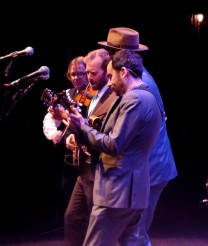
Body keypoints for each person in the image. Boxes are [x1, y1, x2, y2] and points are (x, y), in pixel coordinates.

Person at [66, 49, 162, 245]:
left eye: (111, 76)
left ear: (124, 72)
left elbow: (114, 144)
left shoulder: (134, 99)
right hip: (132, 192)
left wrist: (82, 129)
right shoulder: (149, 97)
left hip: (117, 191)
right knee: (132, 242)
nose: (109, 82)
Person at [97, 27, 178, 245]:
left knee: (135, 235)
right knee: (130, 235)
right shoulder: (135, 79)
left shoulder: (137, 86)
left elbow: (120, 134)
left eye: (109, 51)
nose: (106, 55)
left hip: (149, 170)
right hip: (143, 169)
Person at [63, 48, 117, 246]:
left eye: (93, 73)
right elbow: (88, 125)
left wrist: (82, 131)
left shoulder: (113, 97)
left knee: (97, 225)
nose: (88, 77)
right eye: (87, 72)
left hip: (99, 169)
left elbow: (109, 136)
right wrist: (73, 137)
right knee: (72, 219)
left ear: (106, 71)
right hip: (84, 169)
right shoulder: (90, 95)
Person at [42, 56, 90, 212]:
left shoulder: (93, 94)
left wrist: (63, 116)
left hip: (89, 154)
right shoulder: (67, 94)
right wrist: (55, 134)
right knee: (68, 193)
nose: (76, 78)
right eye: (72, 74)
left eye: (80, 74)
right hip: (70, 157)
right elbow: (50, 119)